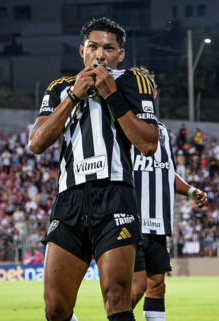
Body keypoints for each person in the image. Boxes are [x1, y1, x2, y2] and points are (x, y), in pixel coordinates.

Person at [28, 17, 159, 321]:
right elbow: (36, 143)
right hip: (70, 201)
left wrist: (111, 94)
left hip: (115, 197)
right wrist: (74, 94)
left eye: (109, 48)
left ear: (120, 54)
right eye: (94, 47)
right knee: (56, 308)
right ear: (82, 50)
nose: (101, 55)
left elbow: (149, 143)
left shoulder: (135, 82)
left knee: (116, 297)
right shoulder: (59, 88)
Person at [131, 122, 207, 321]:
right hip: (132, 222)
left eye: (153, 88)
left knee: (156, 285)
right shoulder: (123, 119)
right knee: (136, 288)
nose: (151, 90)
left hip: (158, 223)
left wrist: (191, 190)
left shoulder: (162, 130)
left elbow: (166, 170)